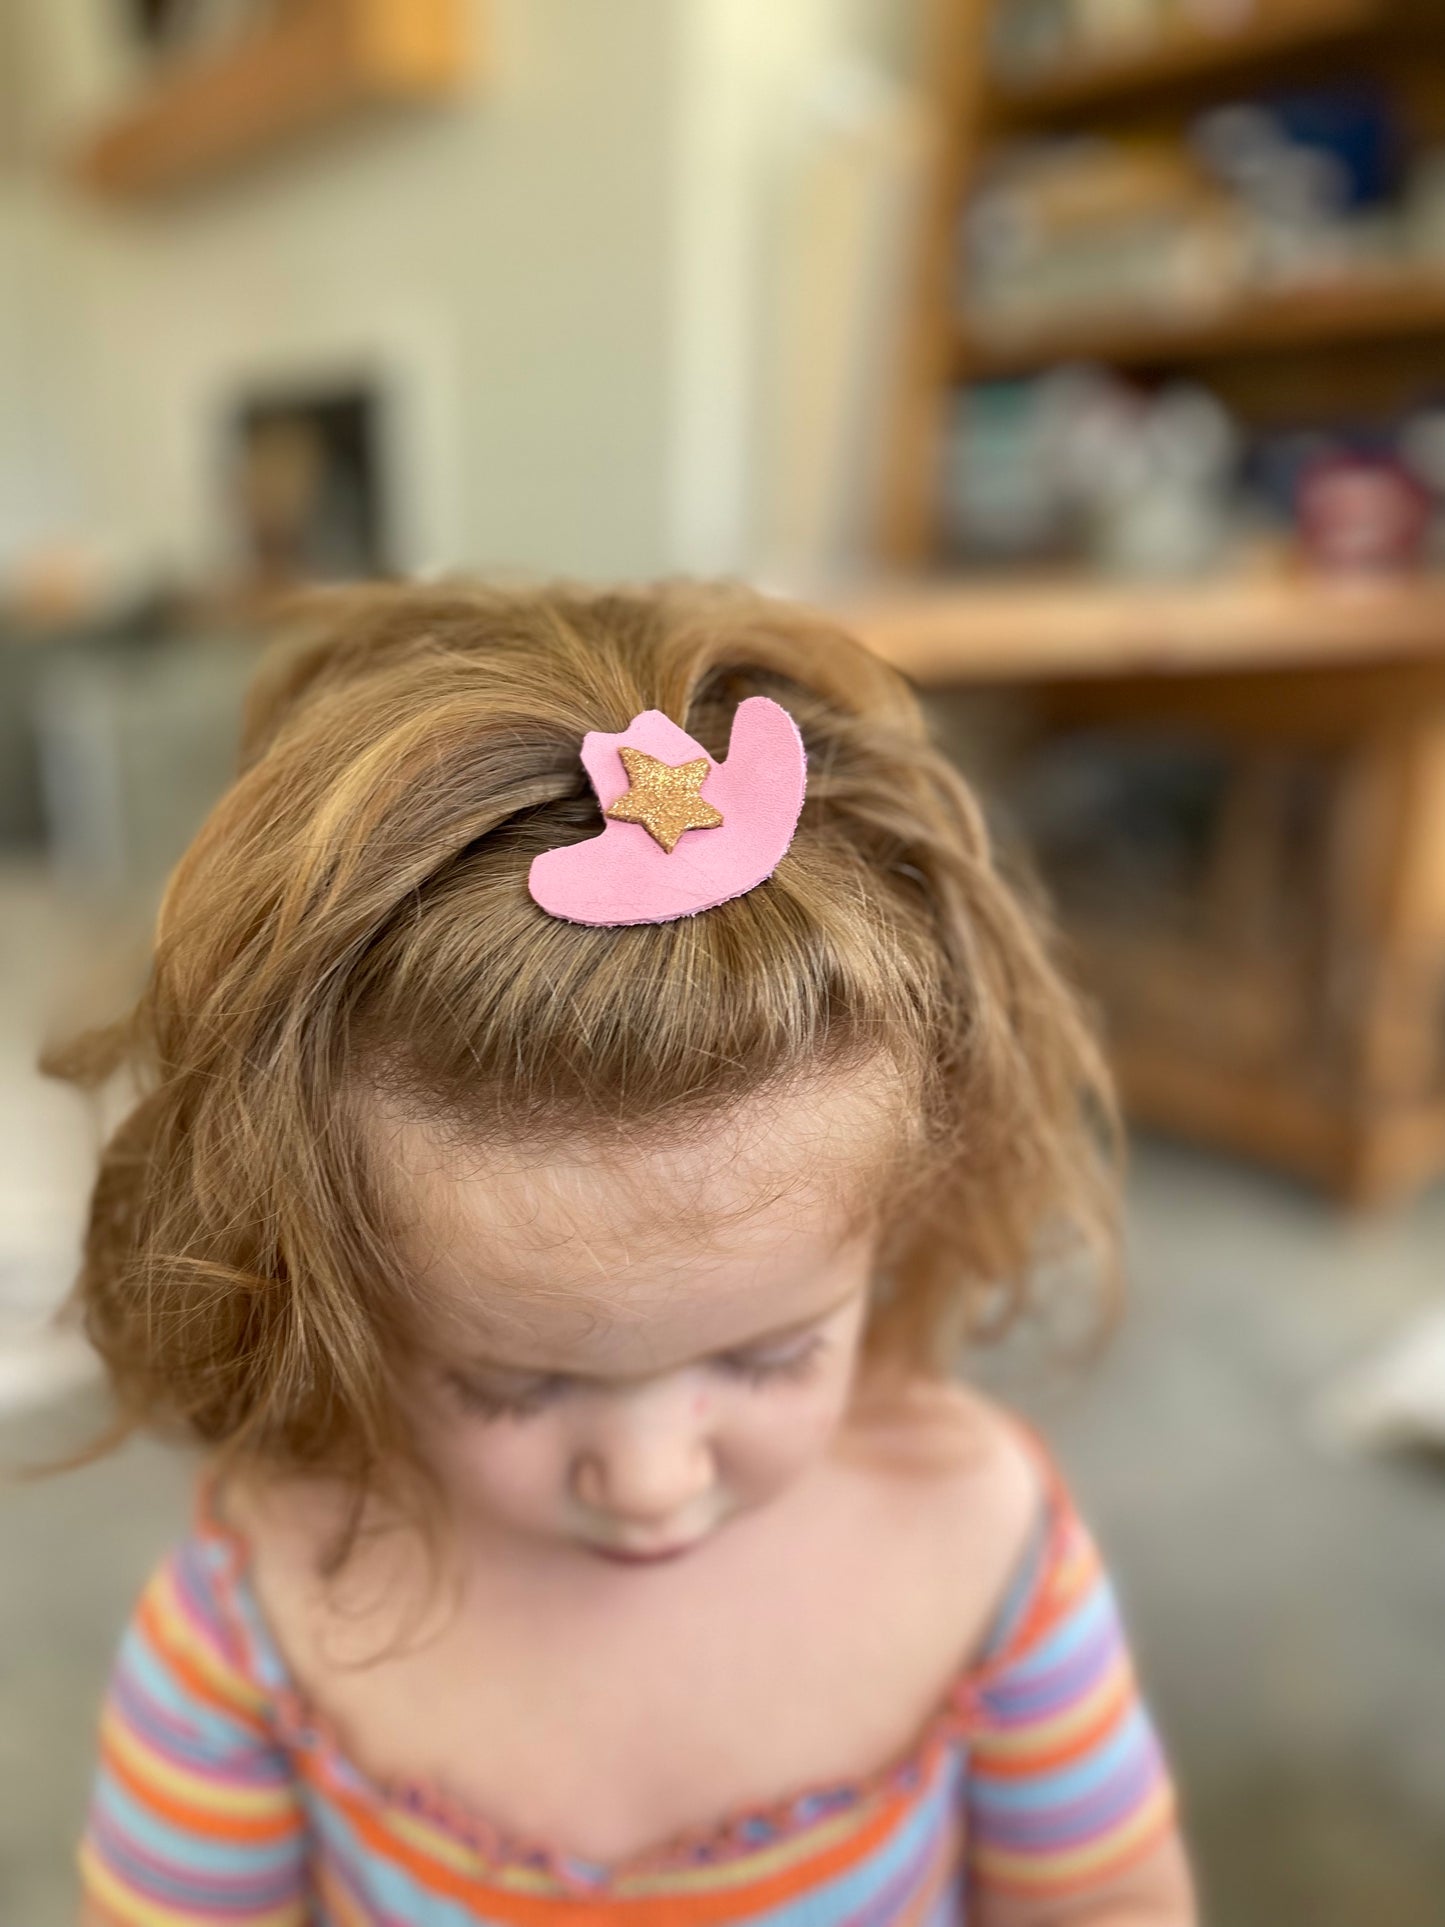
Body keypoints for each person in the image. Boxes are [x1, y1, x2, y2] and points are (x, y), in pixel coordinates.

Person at [50, 581, 1196, 1925]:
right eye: (513, 1385)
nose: (650, 1482)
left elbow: (1106, 1903)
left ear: (913, 1209)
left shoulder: (980, 1547)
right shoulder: (260, 1625)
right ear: (317, 1279)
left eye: (772, 1356)